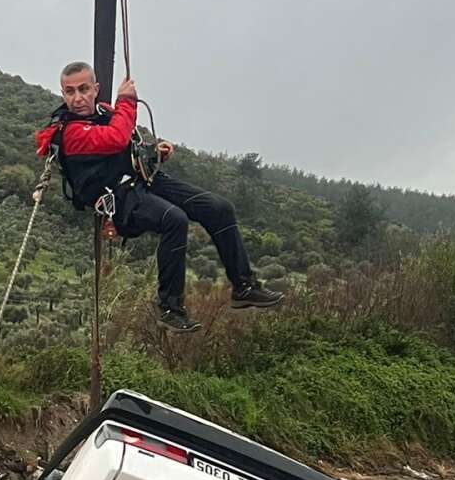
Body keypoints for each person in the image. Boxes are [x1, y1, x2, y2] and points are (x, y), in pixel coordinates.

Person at [34, 63, 281, 334]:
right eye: (70, 92)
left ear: (96, 89)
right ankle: (170, 307)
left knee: (219, 208)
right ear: (63, 94)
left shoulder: (105, 113)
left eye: (83, 89)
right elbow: (116, 139)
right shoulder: (70, 132)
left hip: (141, 181)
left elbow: (123, 145)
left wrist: (153, 152)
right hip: (117, 200)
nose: (77, 98)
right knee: (174, 220)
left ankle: (243, 285)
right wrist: (127, 100)